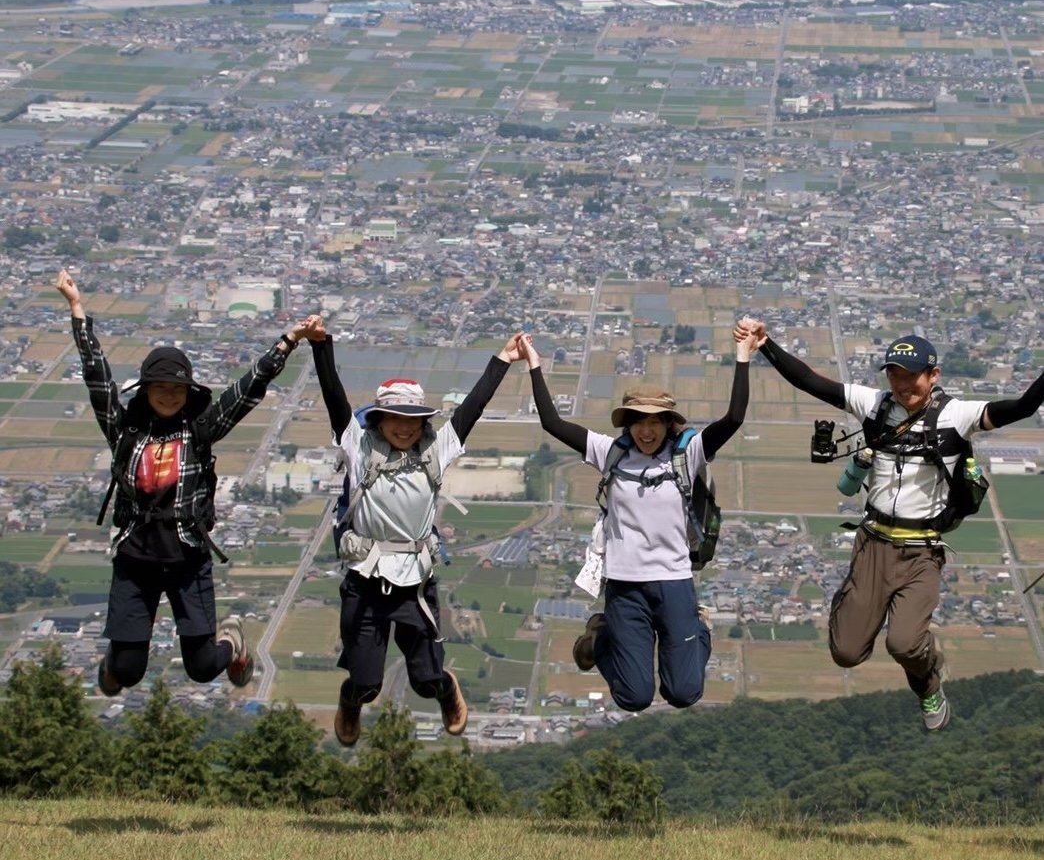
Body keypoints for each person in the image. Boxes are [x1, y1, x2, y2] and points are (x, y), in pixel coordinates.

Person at [736, 319, 1044, 732]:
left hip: (921, 551)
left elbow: (1021, 407)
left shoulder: (958, 415)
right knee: (845, 652)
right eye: (895, 376)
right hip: (873, 544)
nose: (902, 385)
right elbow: (812, 382)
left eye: (911, 376)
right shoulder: (876, 406)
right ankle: (853, 606)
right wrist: (766, 344)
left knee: (903, 642)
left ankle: (929, 679)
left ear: (933, 375)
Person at [55, 268, 313, 696]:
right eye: (160, 387)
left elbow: (247, 390)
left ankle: (230, 643)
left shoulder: (199, 430)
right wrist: (76, 308)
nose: (169, 395)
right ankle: (117, 660)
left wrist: (288, 341)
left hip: (187, 557)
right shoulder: (125, 429)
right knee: (128, 671)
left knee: (199, 667)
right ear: (146, 389)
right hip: (136, 559)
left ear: (188, 392)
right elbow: (96, 377)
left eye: (177, 388)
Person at [304, 319, 528, 745]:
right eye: (394, 418)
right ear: (379, 417)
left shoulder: (434, 450)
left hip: (415, 583)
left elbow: (471, 410)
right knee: (365, 682)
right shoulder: (359, 446)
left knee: (426, 677)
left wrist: (503, 359)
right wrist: (322, 345)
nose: (404, 428)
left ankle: (446, 691)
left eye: (412, 420)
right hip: (365, 581)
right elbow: (334, 396)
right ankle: (350, 700)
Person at [519, 331, 753, 713]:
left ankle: (701, 627)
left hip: (675, 582)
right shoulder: (610, 452)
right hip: (625, 587)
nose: (646, 431)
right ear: (627, 423)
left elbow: (734, 418)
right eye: (638, 422)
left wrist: (742, 357)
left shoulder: (688, 454)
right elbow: (551, 422)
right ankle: (602, 636)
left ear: (668, 423)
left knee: (683, 693)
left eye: (655, 422)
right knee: (634, 697)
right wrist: (534, 364)